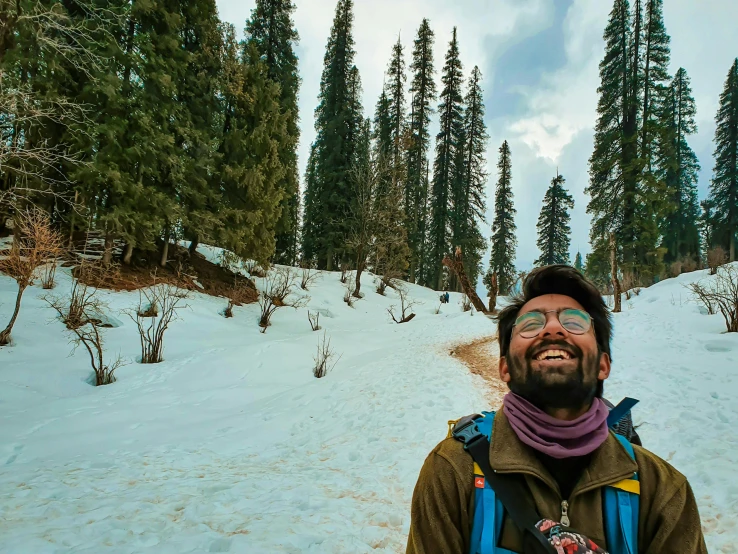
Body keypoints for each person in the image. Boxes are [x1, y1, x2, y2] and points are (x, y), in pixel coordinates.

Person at [405, 265, 707, 554]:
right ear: (505, 367)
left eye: (574, 322)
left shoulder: (664, 490)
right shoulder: (453, 470)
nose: (551, 329)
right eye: (530, 323)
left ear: (603, 365)